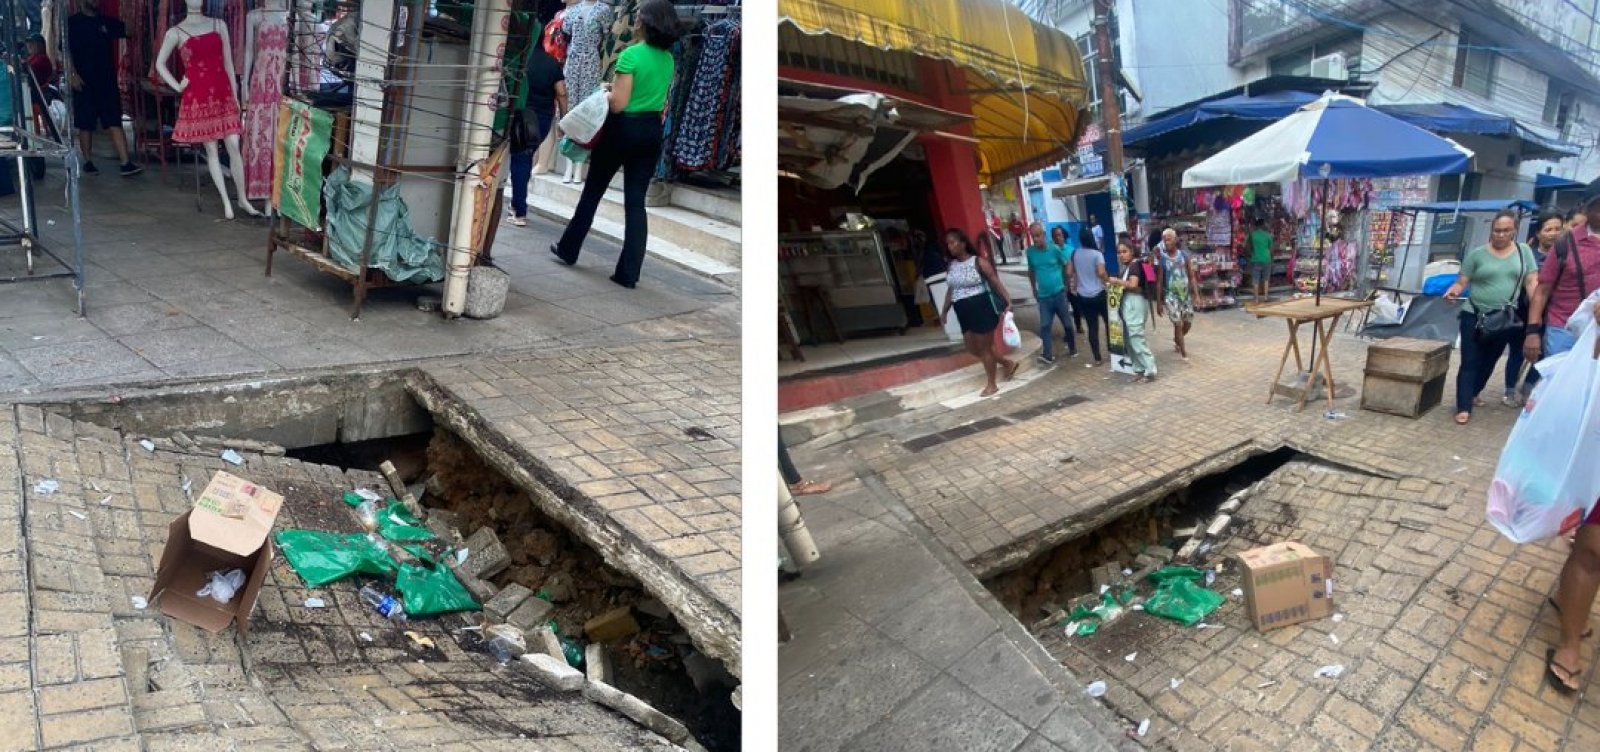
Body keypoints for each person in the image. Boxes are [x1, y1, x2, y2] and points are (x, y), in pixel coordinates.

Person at [549, 0, 679, 288]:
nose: (636, 21)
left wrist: (606, 93)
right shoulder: (668, 59)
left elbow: (619, 104)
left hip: (623, 129)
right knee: (635, 203)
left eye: (640, 18)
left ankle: (569, 248)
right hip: (650, 131)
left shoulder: (631, 55)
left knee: (593, 192)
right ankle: (628, 273)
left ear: (648, 23)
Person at [1444, 210, 1539, 425]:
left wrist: (1538, 306)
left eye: (1506, 231)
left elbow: (1531, 282)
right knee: (1470, 361)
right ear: (1491, 230)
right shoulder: (1477, 254)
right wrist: (1453, 291)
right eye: (1497, 230)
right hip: (1473, 315)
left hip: (1504, 317)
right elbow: (1461, 282)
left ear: (1514, 230)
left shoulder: (1524, 253)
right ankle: (1463, 406)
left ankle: (1475, 391)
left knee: (1490, 361)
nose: (1501, 235)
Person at [1526, 187, 1600, 390]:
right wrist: (1532, 332)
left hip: (1597, 334)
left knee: (1589, 392)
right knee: (1558, 388)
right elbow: (1542, 291)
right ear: (1587, 208)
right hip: (1563, 330)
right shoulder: (1566, 242)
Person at [939, 228, 1018, 397]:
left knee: (984, 348)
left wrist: (1008, 301)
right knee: (972, 348)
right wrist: (945, 311)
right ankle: (1006, 363)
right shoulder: (951, 266)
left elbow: (995, 282)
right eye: (948, 243)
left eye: (953, 242)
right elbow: (951, 290)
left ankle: (992, 384)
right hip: (962, 310)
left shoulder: (978, 262)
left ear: (963, 243)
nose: (950, 246)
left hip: (981, 307)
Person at [67, 0, 141, 176]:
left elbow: (129, 31)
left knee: (114, 120)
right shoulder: (72, 23)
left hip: (106, 81)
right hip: (83, 82)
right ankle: (88, 161)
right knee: (86, 124)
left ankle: (125, 163)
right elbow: (65, 51)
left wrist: (128, 12)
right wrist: (72, 74)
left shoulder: (106, 21)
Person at [507, 23, 568, 228]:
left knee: (521, 161)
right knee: (526, 158)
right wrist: (564, 119)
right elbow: (561, 92)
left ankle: (518, 210)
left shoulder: (521, 61)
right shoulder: (552, 64)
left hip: (522, 117)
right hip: (542, 119)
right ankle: (517, 203)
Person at [1504, 212, 1564, 403]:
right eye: (1548, 229)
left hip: (1552, 315)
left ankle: (1529, 386)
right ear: (1538, 233)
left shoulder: (1565, 256)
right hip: (1524, 313)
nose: (1553, 233)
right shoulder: (1528, 255)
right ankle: (1510, 389)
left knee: (1543, 353)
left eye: (1557, 229)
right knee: (1517, 352)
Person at [1025, 221, 1077, 365]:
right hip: (1044, 297)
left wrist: (1067, 281)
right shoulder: (1030, 252)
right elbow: (1031, 271)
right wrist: (1033, 288)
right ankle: (1047, 354)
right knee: (1045, 325)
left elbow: (1066, 263)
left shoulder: (1055, 250)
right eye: (1033, 236)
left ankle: (1073, 348)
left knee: (1067, 324)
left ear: (1044, 234)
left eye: (1038, 235)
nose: (1036, 239)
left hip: (1059, 294)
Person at [1108, 240, 1157, 382]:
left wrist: (1116, 281)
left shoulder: (1134, 265)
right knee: (1130, 338)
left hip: (1134, 303)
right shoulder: (1130, 266)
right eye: (1119, 252)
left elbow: (1133, 284)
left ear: (1132, 251)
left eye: (1124, 252)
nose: (1121, 255)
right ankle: (1139, 369)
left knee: (1135, 337)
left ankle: (1150, 370)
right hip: (1131, 304)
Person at [1156, 228, 1200, 360]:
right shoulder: (1162, 259)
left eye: (1168, 239)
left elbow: (1191, 276)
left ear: (1175, 240)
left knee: (1187, 323)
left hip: (1185, 295)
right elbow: (1159, 281)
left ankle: (1177, 339)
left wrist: (1196, 295)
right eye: (1164, 240)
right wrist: (1159, 302)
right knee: (1178, 324)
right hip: (1171, 296)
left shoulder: (1184, 255)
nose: (1166, 242)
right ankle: (1184, 353)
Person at [1071, 225, 1109, 367]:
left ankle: (1097, 358)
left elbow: (1069, 272)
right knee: (1108, 322)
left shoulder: (1075, 254)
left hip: (1083, 296)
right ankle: (1112, 350)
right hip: (1099, 294)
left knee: (1092, 327)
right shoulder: (1097, 254)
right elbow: (1101, 273)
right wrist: (1107, 279)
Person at [1247, 217, 1274, 305]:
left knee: (1255, 279)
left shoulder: (1252, 235)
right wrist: (1269, 255)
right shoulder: (1268, 235)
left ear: (1256, 226)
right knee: (1266, 279)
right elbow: (1271, 248)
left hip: (1255, 259)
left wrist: (1251, 254)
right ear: (1263, 225)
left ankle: (1256, 299)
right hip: (1266, 258)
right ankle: (1266, 297)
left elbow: (1247, 246)